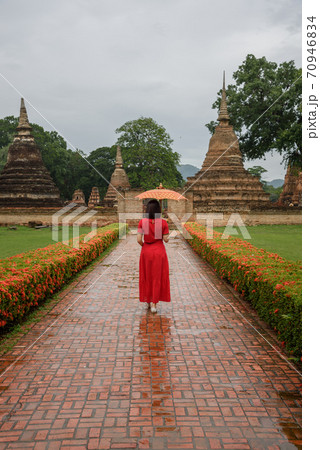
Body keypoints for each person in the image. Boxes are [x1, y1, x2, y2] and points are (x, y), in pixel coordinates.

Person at [137, 199, 170, 313]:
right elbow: (166, 240)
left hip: (146, 251)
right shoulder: (164, 223)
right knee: (157, 277)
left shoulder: (142, 222)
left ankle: (147, 300)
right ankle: (154, 304)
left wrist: (145, 246)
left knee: (147, 275)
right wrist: (168, 236)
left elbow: (138, 240)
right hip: (159, 251)